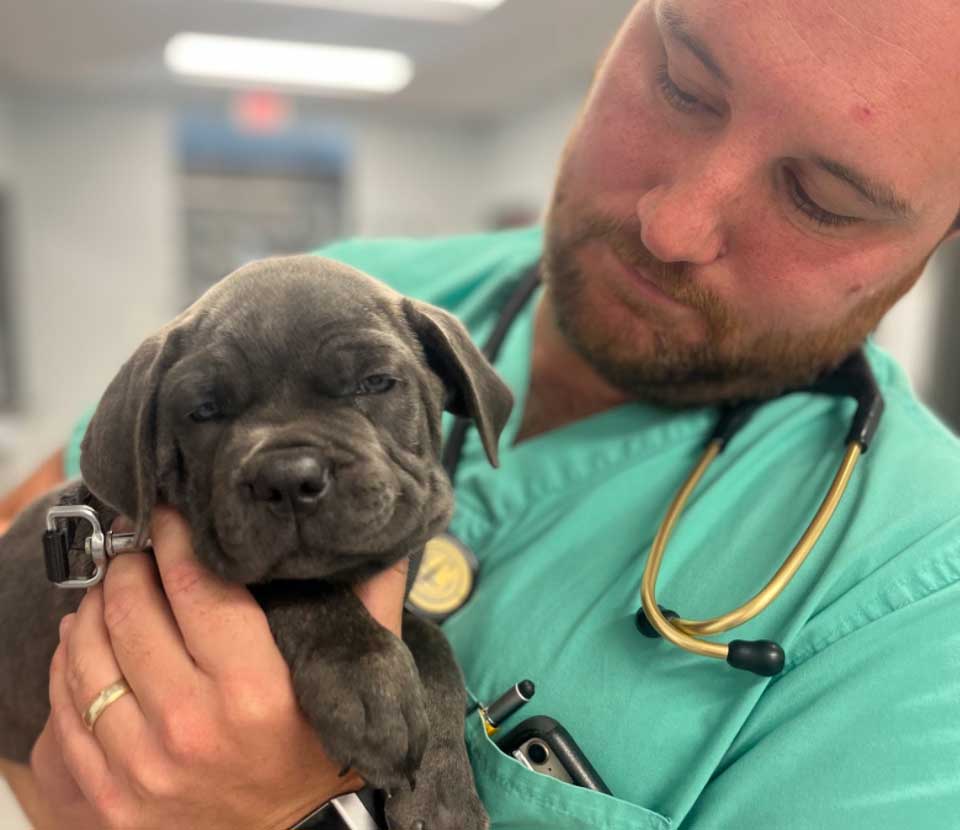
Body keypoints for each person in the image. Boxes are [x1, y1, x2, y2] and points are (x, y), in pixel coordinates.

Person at [3, 0, 960, 826]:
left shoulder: (923, 611)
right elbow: (40, 526)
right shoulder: (365, 284)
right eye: (682, 84)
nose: (673, 224)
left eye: (820, 199)